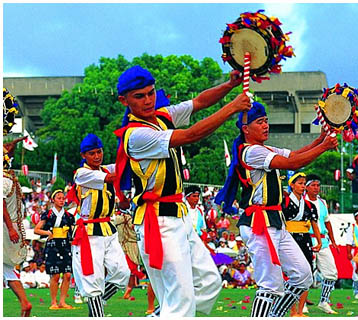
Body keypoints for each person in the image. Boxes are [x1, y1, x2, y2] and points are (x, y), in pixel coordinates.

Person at [114, 66, 250, 317]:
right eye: (139, 96)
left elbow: (199, 101)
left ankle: (164, 313)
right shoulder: (136, 135)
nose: (148, 100)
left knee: (210, 283)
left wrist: (229, 85)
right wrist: (232, 107)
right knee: (182, 301)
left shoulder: (162, 116)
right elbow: (190, 135)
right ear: (124, 100)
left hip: (179, 216)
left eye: (150, 93)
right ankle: (169, 312)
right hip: (159, 221)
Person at [214, 102, 338, 317]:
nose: (266, 126)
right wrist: (324, 146)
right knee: (269, 284)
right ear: (246, 129)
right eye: (260, 122)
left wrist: (319, 140)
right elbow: (292, 164)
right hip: (258, 223)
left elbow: (294, 156)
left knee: (303, 276)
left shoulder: (265, 149)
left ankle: (275, 316)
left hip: (274, 221)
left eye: (267, 121)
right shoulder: (251, 152)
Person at [72, 134, 130, 317]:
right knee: (93, 280)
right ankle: (97, 312)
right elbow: (112, 176)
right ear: (84, 156)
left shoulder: (106, 168)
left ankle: (97, 304)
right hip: (89, 232)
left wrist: (128, 144)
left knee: (123, 273)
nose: (97, 156)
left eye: (99, 152)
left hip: (108, 229)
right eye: (92, 153)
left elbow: (124, 165)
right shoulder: (82, 174)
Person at [3, 100, 32, 316]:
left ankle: (24, 302)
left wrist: (11, 228)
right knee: (6, 268)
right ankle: (24, 302)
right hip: (7, 226)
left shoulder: (5, 178)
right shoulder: (7, 177)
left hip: (5, 226)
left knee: (6, 268)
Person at [283, 172, 321, 317]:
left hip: (305, 239)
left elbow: (314, 224)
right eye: (299, 183)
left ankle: (300, 310)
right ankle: (292, 310)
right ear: (292, 185)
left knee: (307, 273)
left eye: (304, 183)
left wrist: (318, 241)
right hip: (289, 238)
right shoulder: (284, 202)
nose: (303, 186)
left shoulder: (309, 205)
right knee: (292, 274)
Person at [34, 189, 75, 309]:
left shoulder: (68, 216)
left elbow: (73, 231)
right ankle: (53, 302)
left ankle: (62, 301)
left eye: (63, 198)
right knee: (55, 274)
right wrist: (47, 233)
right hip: (53, 245)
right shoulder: (47, 214)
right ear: (53, 200)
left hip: (65, 245)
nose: (62, 200)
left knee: (67, 274)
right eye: (59, 198)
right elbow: (37, 229)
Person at [305, 174, 339, 314]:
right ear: (306, 187)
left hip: (323, 242)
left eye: (318, 185)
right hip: (307, 241)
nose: (316, 188)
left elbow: (327, 222)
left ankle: (324, 301)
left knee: (331, 273)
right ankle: (302, 304)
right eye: (313, 185)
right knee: (306, 274)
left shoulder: (322, 202)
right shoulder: (301, 201)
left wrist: (334, 241)